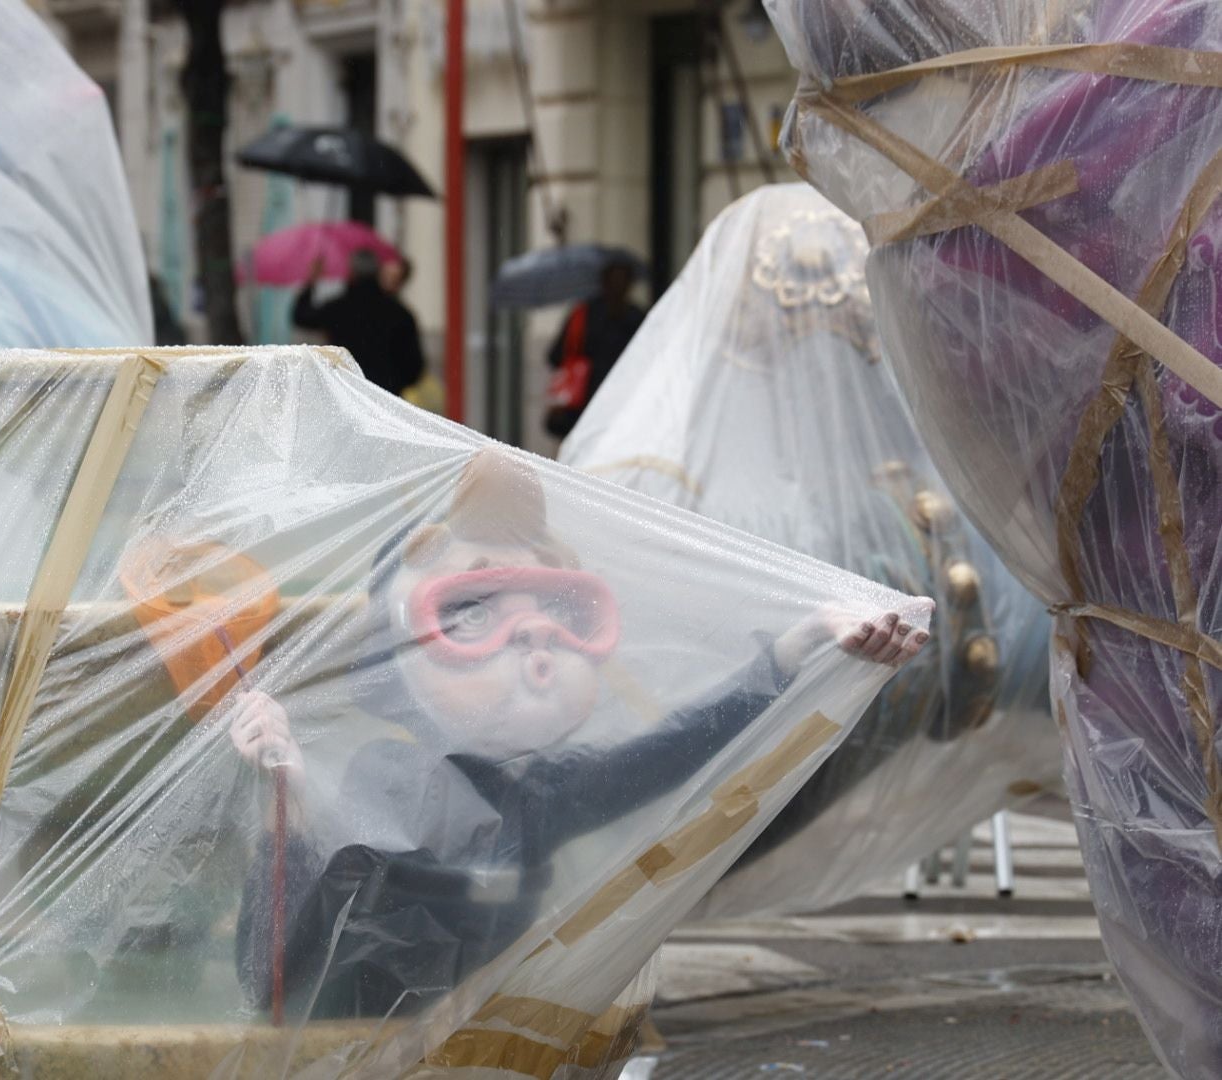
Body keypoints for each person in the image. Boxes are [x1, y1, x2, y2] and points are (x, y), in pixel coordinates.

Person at [226, 450, 927, 1020]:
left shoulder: (541, 795)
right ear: (396, 653)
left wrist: (796, 651)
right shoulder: (379, 782)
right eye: (473, 615)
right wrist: (294, 807)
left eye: (563, 611)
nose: (533, 640)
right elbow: (270, 978)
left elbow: (672, 751)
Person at [293, 249, 425, 396]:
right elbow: (414, 368)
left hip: (345, 395)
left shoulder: (338, 308)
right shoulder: (400, 314)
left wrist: (312, 281)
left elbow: (302, 317)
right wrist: (393, 383)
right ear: (378, 272)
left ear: (352, 272)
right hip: (385, 398)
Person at [545, 262, 646, 438]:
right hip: (619, 402)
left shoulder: (585, 314)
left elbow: (556, 356)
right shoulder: (636, 317)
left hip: (591, 406)